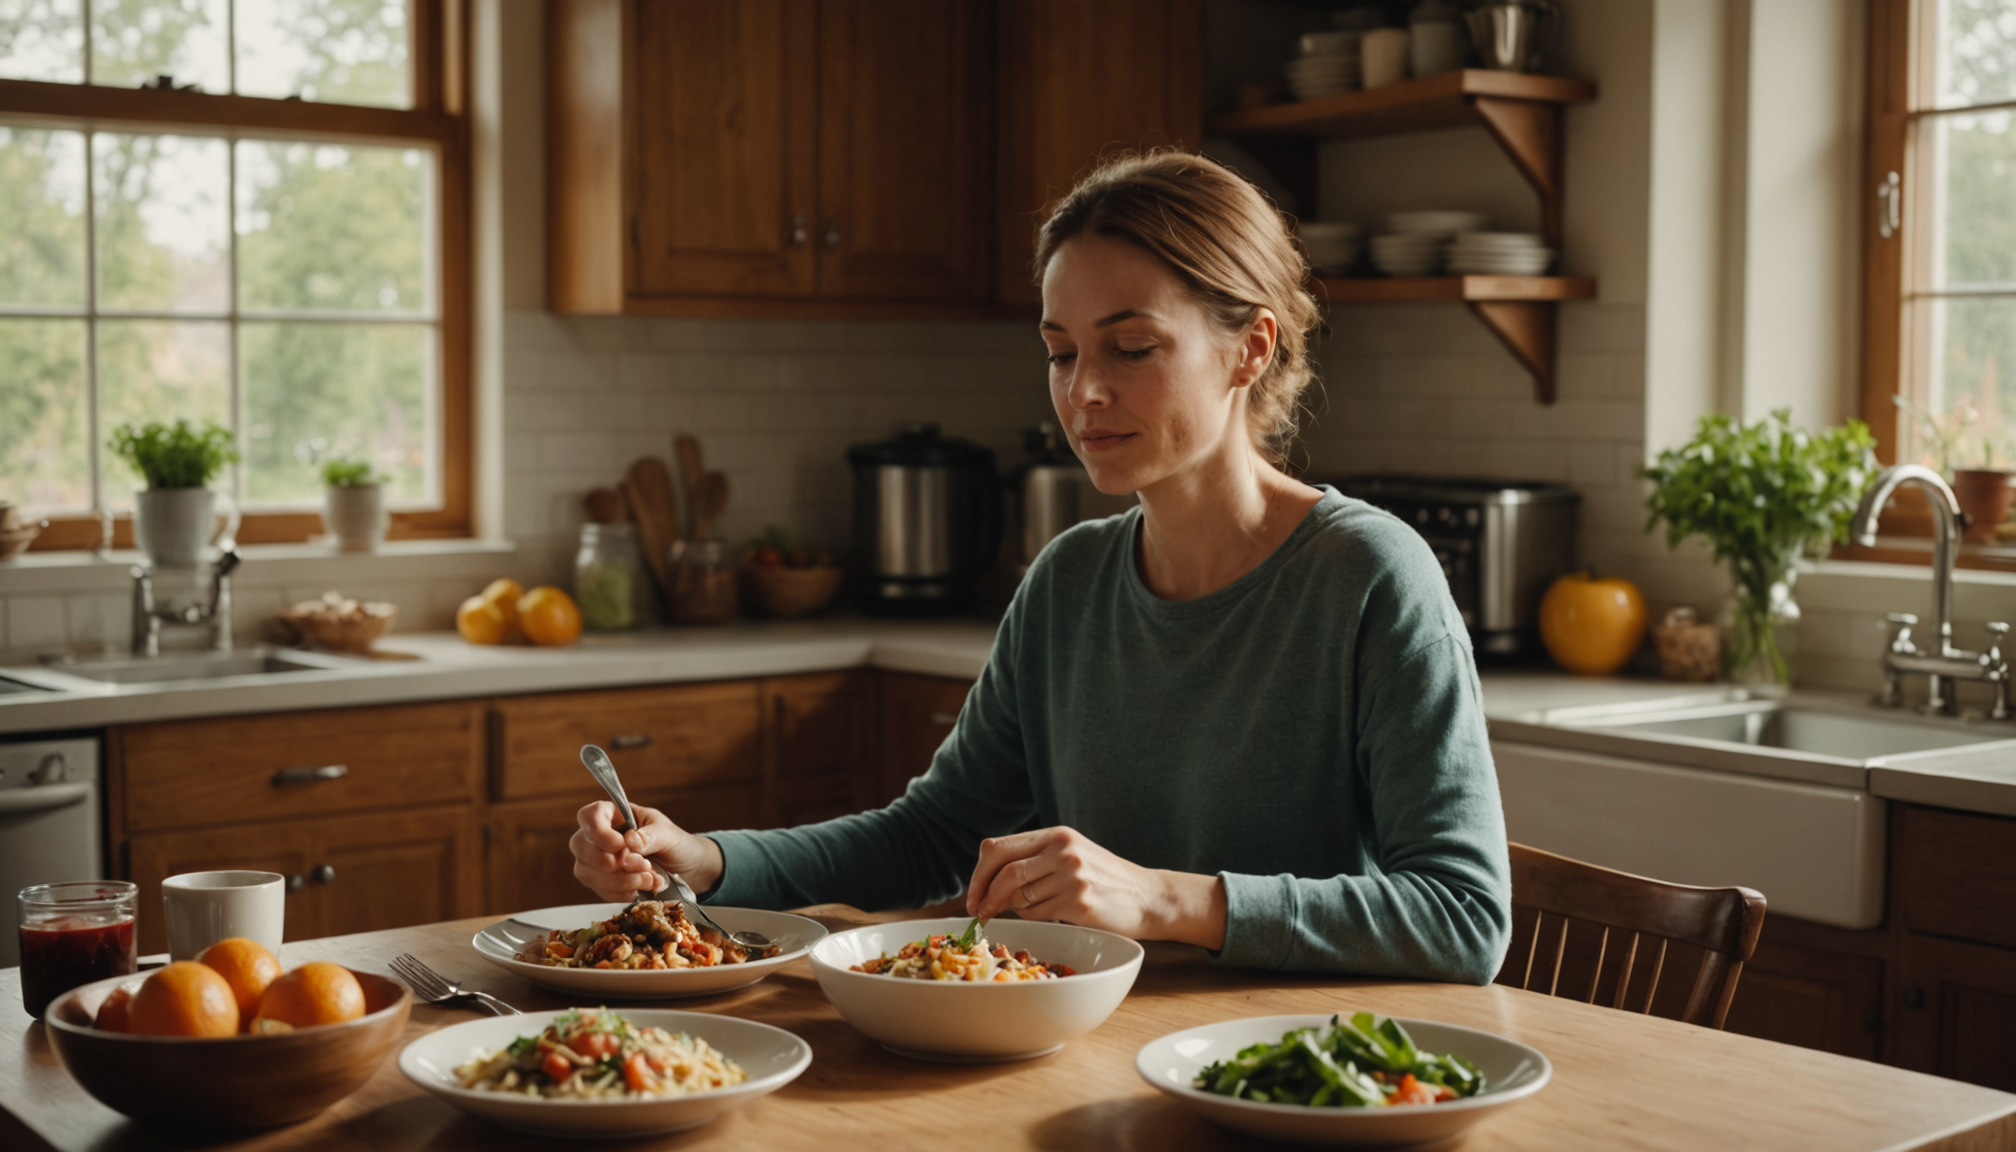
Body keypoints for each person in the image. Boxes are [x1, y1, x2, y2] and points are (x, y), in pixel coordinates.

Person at [571, 151, 1512, 982]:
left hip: (1294, 1074)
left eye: (1131, 348)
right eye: (1061, 353)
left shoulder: (1369, 575)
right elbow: (936, 835)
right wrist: (709, 860)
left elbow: (1463, 917)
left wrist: (1164, 899)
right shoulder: (1070, 581)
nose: (1083, 390)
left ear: (1250, 349)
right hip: (1096, 1051)